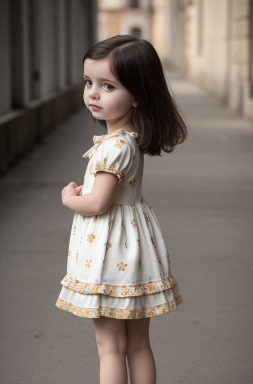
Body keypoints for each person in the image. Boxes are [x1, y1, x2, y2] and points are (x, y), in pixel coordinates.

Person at [55, 35, 187, 384]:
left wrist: (70, 198)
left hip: (109, 251)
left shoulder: (110, 148)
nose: (93, 93)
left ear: (138, 95)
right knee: (138, 344)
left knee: (109, 346)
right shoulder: (129, 140)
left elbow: (97, 203)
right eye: (89, 82)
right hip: (133, 244)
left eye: (107, 86)